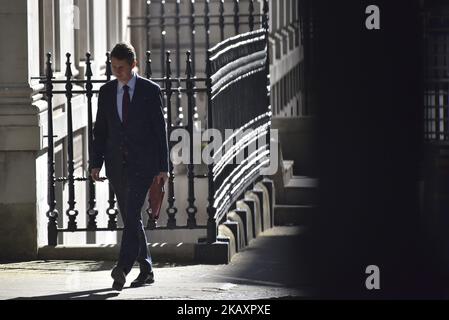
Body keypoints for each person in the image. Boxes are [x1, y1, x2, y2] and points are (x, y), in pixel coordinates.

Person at [90, 43, 169, 291]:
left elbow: (160, 131)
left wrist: (163, 167)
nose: (117, 72)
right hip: (116, 165)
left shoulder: (149, 90)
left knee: (133, 213)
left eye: (121, 68)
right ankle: (146, 269)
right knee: (132, 219)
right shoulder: (106, 92)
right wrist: (95, 164)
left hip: (143, 165)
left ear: (133, 65)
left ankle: (121, 269)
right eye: (113, 67)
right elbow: (100, 131)